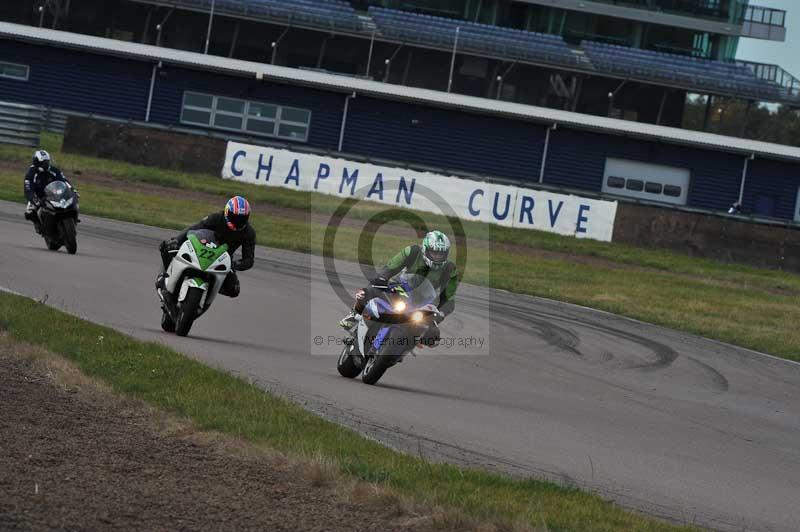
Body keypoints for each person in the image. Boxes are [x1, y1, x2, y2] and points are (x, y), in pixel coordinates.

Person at [339, 230, 459, 344]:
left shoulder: (450, 269)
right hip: (399, 289)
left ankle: (404, 347)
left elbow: (449, 299)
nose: (437, 256)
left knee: (433, 335)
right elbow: (391, 266)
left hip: (422, 303)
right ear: (425, 249)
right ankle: (354, 315)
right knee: (371, 289)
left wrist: (437, 317)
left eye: (441, 254)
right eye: (434, 252)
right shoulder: (413, 251)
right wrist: (382, 278)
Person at [156, 196, 255, 298]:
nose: (237, 222)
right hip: (201, 248)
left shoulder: (249, 233)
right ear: (226, 212)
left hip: (222, 259)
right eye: (234, 217)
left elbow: (249, 259)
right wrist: (176, 240)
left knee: (234, 290)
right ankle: (163, 277)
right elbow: (194, 228)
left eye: (241, 219)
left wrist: (235, 264)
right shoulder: (216, 218)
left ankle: (211, 287)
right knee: (167, 247)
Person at [23, 150, 74, 232]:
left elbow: (63, 180)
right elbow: (28, 188)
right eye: (44, 162)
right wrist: (34, 199)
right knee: (29, 212)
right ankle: (39, 225)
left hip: (53, 193)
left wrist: (72, 189)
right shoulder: (31, 173)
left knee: (71, 201)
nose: (46, 164)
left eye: (47, 162)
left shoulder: (53, 170)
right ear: (37, 162)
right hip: (38, 196)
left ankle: (71, 219)